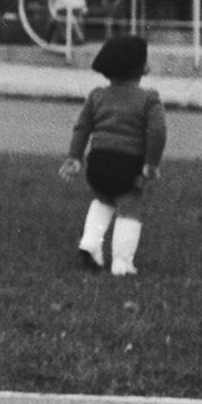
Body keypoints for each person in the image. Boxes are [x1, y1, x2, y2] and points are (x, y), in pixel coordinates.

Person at [61, 33, 165, 277]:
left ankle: (90, 242)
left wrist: (75, 157)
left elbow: (82, 127)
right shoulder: (149, 99)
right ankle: (122, 263)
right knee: (129, 209)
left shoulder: (97, 96)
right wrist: (151, 164)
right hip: (128, 164)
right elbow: (157, 132)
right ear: (144, 68)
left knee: (103, 200)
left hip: (97, 163)